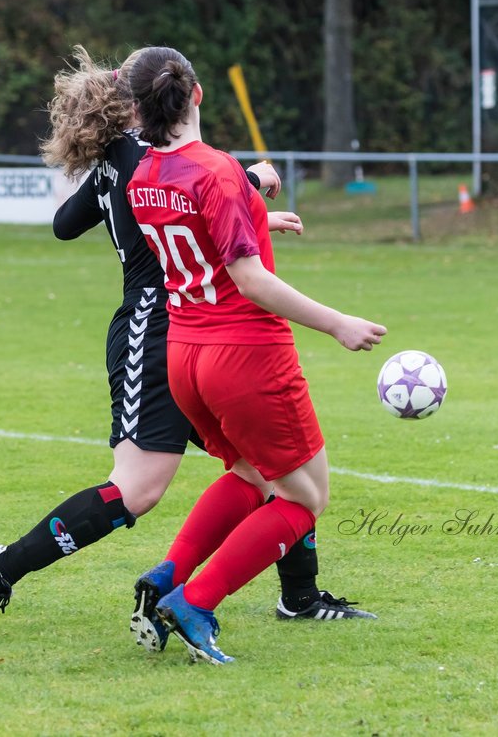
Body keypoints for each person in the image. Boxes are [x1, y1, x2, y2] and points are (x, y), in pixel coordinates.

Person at [0, 47, 371, 640]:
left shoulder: (124, 159)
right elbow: (177, 191)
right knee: (140, 489)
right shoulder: (140, 159)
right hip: (157, 332)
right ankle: (3, 565)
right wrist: (250, 181)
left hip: (185, 326)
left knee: (269, 466)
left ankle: (298, 596)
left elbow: (70, 223)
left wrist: (249, 214)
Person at [125, 46, 387, 665]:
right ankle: (196, 602)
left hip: (184, 355)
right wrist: (337, 324)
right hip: (244, 356)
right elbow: (250, 281)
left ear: (139, 110)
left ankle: (165, 578)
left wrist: (257, 218)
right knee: (302, 499)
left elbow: (194, 235)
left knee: (248, 474)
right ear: (197, 94)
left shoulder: (143, 176)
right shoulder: (217, 172)